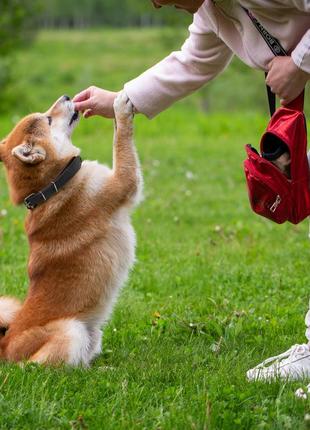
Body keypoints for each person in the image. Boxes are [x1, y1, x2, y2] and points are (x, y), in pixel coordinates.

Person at [73, 0, 310, 380]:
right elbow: (193, 62)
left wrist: (299, 62)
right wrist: (121, 101)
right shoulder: (212, 11)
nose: (159, 4)